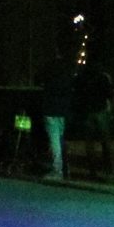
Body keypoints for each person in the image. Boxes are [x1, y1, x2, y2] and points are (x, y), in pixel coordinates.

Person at [38, 45, 76, 183]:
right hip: (63, 109)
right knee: (60, 138)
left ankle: (57, 170)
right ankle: (64, 168)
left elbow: (40, 79)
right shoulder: (68, 69)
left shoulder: (49, 67)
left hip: (51, 108)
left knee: (54, 140)